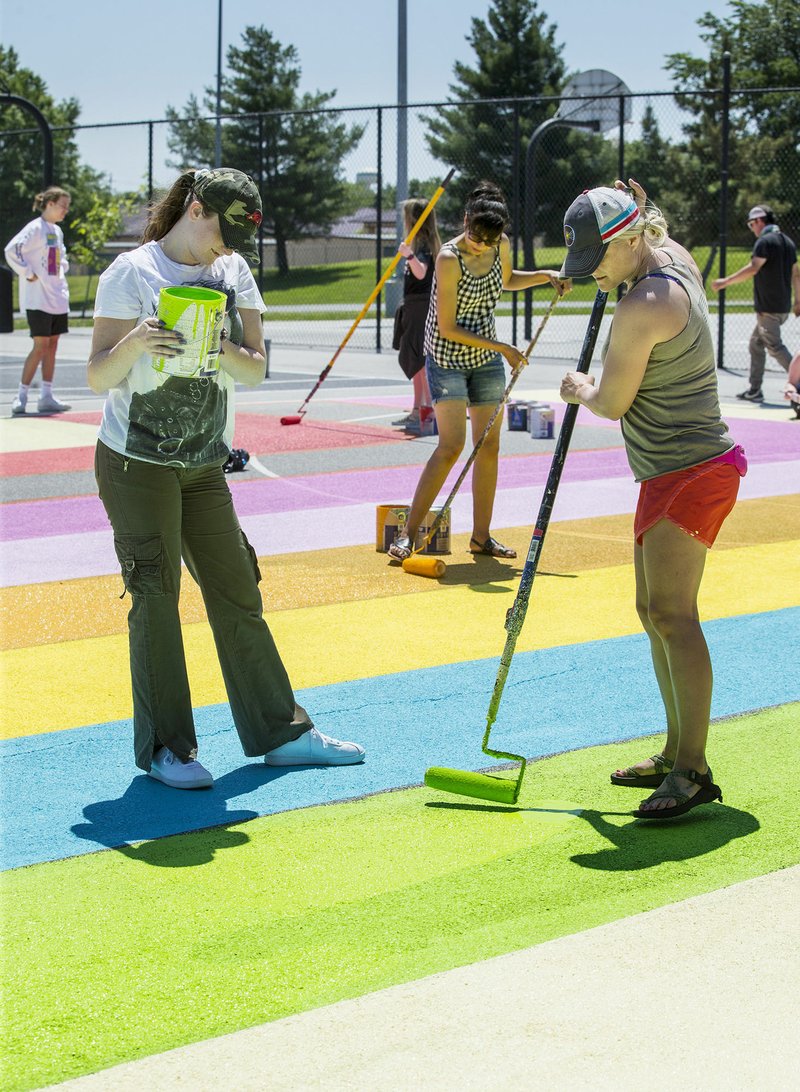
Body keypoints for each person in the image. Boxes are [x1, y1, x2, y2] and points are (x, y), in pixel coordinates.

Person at [87, 167, 365, 789]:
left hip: (204, 462)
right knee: (155, 597)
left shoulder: (232, 272)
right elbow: (99, 376)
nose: (229, 244)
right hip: (136, 462)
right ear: (194, 208)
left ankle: (281, 733)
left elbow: (258, 370)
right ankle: (167, 750)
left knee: (238, 588)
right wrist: (137, 343)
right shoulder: (131, 274)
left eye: (241, 234)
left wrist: (216, 348)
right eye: (223, 228)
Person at [559, 179, 746, 820]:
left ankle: (693, 768)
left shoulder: (644, 302)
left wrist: (580, 386)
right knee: (651, 609)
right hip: (670, 469)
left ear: (630, 240)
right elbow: (661, 237)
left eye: (597, 261)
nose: (591, 276)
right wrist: (637, 209)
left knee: (673, 614)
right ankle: (674, 751)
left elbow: (611, 403)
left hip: (693, 471)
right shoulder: (673, 259)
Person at [388, 181, 566, 562]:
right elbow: (449, 327)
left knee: (489, 447)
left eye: (488, 240)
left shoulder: (498, 244)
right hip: (448, 357)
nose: (480, 245)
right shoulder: (449, 258)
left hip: (484, 359)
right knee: (451, 446)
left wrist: (545, 274)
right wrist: (503, 348)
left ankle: (481, 537)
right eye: (474, 236)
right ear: (464, 221)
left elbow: (506, 279)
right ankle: (406, 534)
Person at [711, 203, 800, 402]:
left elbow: (753, 268)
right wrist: (798, 300)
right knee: (755, 344)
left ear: (759, 221)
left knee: (774, 346)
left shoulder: (765, 242)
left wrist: (725, 281)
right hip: (782, 306)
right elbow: (796, 273)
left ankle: (797, 382)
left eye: (752, 224)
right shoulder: (788, 242)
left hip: (768, 307)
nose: (752, 229)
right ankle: (754, 390)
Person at [4, 186, 73, 415]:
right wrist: (27, 272)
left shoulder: (57, 231)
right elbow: (11, 250)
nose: (66, 210)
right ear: (50, 204)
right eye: (63, 205)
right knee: (40, 345)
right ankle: (21, 395)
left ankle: (46, 395)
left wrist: (62, 266)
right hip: (38, 299)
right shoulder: (35, 228)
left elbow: (59, 256)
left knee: (52, 346)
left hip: (57, 297)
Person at [392, 198, 439, 433]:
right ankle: (417, 408)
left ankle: (427, 408)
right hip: (413, 305)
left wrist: (408, 255)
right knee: (415, 359)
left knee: (420, 359)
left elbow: (421, 273)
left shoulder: (423, 245)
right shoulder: (418, 242)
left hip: (421, 306)